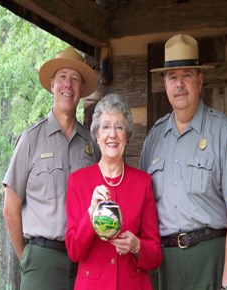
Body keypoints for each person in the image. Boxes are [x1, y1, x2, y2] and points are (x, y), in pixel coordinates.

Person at [139, 34, 227, 290]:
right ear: (165, 84)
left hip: (209, 258)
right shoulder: (153, 139)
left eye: (186, 75)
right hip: (164, 264)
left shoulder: (221, 131)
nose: (179, 84)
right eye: (172, 77)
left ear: (200, 81)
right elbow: (141, 209)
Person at [2, 46, 100, 290]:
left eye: (75, 79)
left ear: (81, 90)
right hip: (41, 260)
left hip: (83, 259)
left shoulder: (91, 145)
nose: (68, 84)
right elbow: (10, 207)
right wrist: (26, 257)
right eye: (63, 78)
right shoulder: (30, 140)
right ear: (52, 86)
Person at [65, 93, 162, 290]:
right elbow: (74, 252)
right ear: (97, 136)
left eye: (119, 127)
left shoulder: (142, 182)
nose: (113, 134)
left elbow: (155, 255)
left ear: (126, 137)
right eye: (106, 127)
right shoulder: (78, 181)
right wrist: (91, 213)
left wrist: (136, 246)